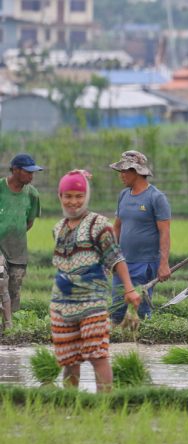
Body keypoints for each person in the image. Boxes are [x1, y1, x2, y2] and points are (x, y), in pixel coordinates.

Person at [50, 170, 142, 392]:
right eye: (68, 196)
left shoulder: (99, 225)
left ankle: (105, 405)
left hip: (93, 302)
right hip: (62, 304)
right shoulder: (58, 228)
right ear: (60, 197)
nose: (74, 202)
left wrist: (129, 289)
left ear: (86, 197)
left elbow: (116, 258)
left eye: (79, 196)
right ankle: (70, 402)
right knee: (68, 359)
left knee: (96, 354)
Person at [109, 150, 172, 322]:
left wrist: (164, 263)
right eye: (120, 171)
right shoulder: (123, 195)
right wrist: (110, 257)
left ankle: (144, 343)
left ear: (136, 172)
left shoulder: (156, 198)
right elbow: (117, 228)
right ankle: (117, 346)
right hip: (122, 263)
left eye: (124, 171)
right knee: (116, 310)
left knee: (143, 311)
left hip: (145, 263)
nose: (121, 175)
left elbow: (165, 233)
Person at [0, 153, 43, 313]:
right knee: (0, 285)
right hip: (0, 254)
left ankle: (11, 328)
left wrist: (14, 231)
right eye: (28, 172)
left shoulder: (32, 194)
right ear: (16, 170)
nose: (32, 176)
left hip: (18, 253)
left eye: (33, 172)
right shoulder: (1, 188)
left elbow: (29, 222)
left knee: (14, 290)